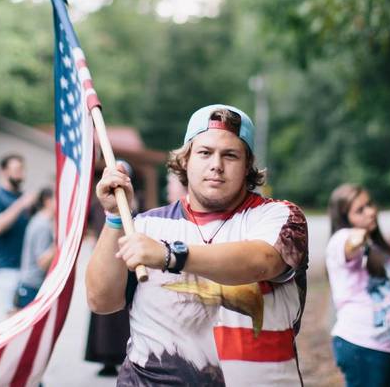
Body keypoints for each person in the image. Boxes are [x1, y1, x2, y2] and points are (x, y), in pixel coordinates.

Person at [86, 104, 309, 386]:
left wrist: (169, 254)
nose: (216, 164)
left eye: (230, 155)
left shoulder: (279, 216)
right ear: (185, 160)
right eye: (205, 152)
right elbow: (101, 300)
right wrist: (115, 217)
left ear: (247, 166)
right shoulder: (144, 225)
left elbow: (262, 262)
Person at [326, 184, 390, 387]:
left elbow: (386, 294)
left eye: (370, 204)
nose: (371, 212)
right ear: (344, 218)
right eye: (360, 210)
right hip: (361, 344)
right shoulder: (341, 240)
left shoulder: (381, 247)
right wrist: (356, 237)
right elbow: (349, 247)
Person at [84, 162, 134, 378]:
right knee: (102, 309)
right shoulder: (97, 204)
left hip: (125, 258)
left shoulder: (133, 201)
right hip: (104, 256)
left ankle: (122, 355)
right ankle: (105, 358)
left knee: (121, 310)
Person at [0, 153, 38, 314]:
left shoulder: (22, 196)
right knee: (13, 315)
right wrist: (21, 204)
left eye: (22, 170)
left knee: (28, 314)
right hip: (6, 267)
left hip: (27, 267)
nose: (21, 174)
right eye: (17, 170)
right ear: (4, 171)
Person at [14, 187, 56, 309]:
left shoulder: (39, 221)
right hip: (33, 287)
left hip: (29, 285)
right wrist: (61, 243)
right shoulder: (42, 225)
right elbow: (42, 262)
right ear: (47, 201)